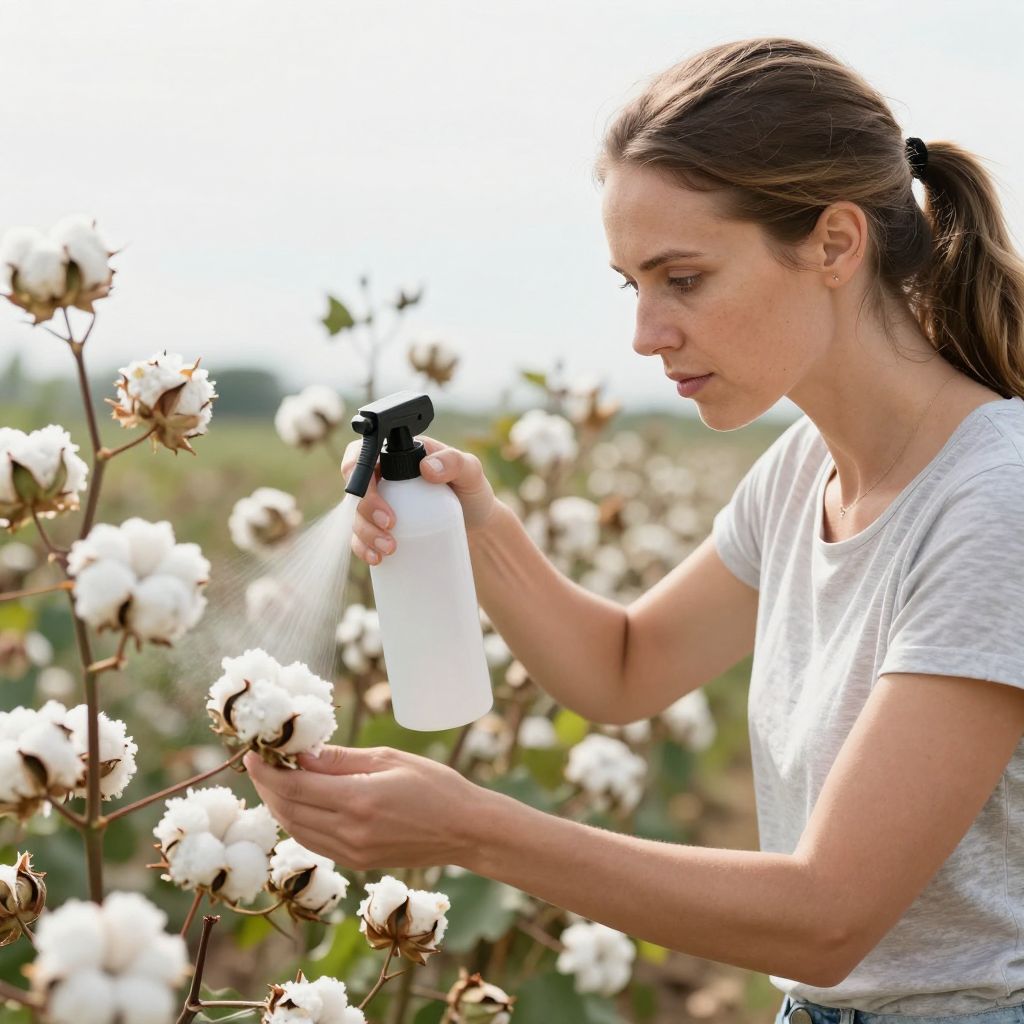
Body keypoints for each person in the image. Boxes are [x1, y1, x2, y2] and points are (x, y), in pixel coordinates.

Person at [245, 36, 1024, 1024]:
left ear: (834, 243)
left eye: (683, 279)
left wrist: (474, 829)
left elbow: (830, 913)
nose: (645, 334)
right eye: (632, 284)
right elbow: (623, 667)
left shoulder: (994, 499)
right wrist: (476, 520)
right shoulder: (799, 473)